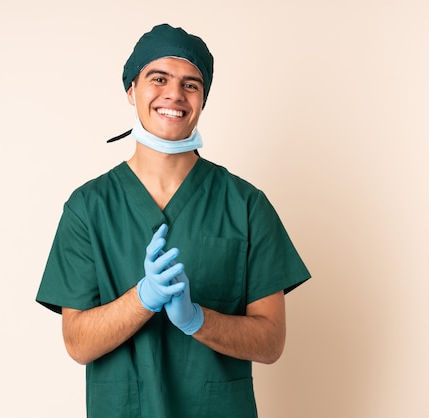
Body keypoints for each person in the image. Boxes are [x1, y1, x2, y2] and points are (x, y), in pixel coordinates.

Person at [36, 23, 311, 418]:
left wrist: (197, 319)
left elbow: (271, 341)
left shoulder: (246, 205)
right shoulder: (88, 208)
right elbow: (78, 343)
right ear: (131, 90)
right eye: (158, 78)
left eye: (191, 84)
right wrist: (142, 299)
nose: (174, 95)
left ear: (203, 100)